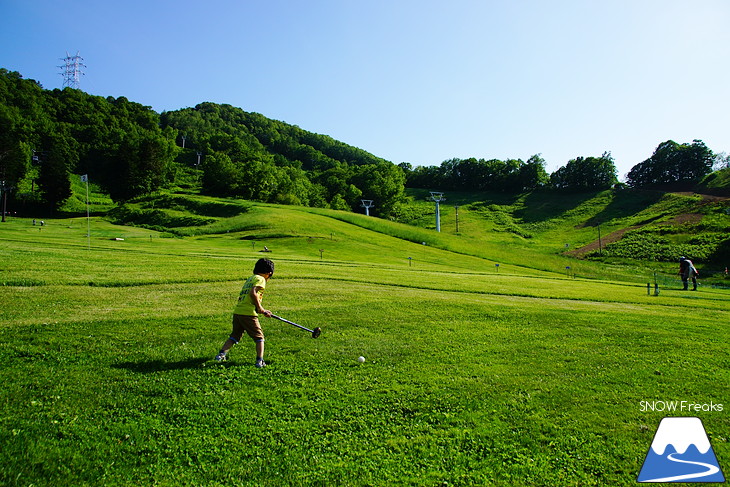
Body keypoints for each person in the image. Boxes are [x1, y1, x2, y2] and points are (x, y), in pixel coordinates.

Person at [215, 258, 275, 367]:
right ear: (268, 273)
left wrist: (260, 309)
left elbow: (248, 297)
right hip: (248, 313)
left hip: (238, 312)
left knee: (235, 336)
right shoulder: (261, 279)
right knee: (259, 338)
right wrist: (260, 308)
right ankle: (259, 361)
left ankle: (220, 355)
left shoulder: (250, 279)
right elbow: (253, 293)